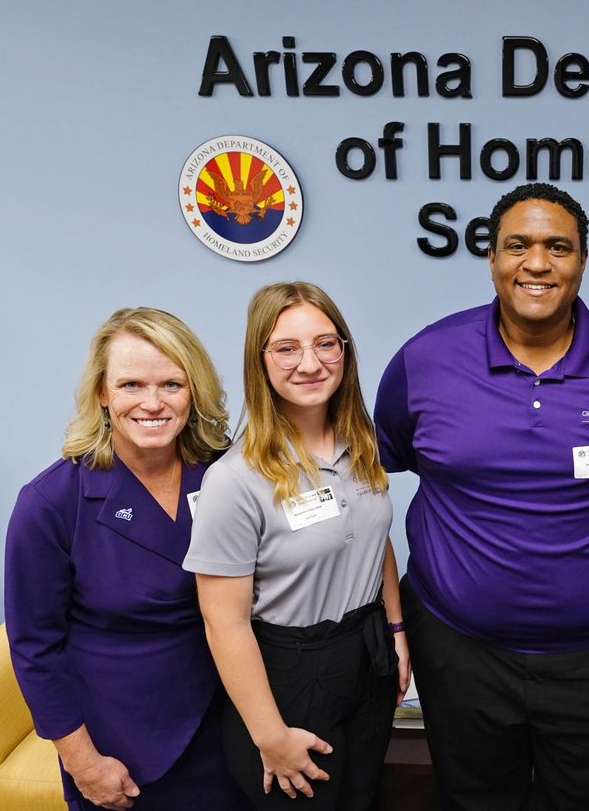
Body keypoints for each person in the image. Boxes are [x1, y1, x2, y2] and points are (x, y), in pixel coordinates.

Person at [375, 182, 589, 810]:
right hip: (460, 650)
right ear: (492, 257)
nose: (538, 263)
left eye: (558, 247)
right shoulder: (425, 360)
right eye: (517, 245)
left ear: (582, 259)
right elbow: (378, 470)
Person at [5, 307, 245, 810]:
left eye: (172, 385)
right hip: (125, 749)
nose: (152, 403)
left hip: (233, 729)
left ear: (194, 391)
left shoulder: (228, 475)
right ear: (102, 394)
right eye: (131, 384)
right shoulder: (52, 502)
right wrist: (84, 763)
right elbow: (35, 648)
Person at [183, 281, 409, 811]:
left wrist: (396, 630)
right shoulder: (235, 480)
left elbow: (377, 541)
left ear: (345, 352)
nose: (310, 362)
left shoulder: (362, 442)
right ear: (259, 360)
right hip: (288, 675)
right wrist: (271, 739)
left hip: (367, 656)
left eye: (326, 343)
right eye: (287, 347)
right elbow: (224, 623)